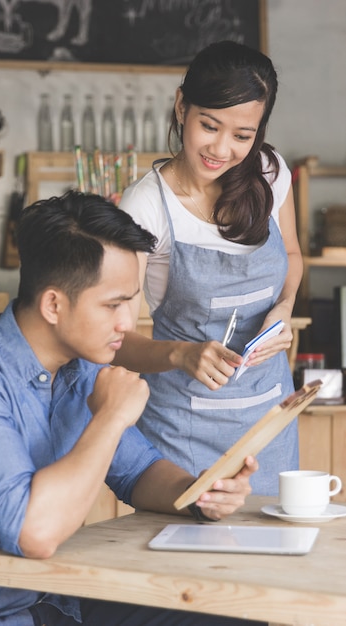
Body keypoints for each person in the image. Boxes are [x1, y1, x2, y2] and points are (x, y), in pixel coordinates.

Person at [0, 190, 262, 626]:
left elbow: (138, 472)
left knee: (229, 610)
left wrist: (199, 494)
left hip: (55, 600)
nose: (128, 322)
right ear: (53, 304)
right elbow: (35, 534)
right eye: (113, 305)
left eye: (131, 300)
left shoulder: (80, 366)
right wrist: (110, 416)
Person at [116, 40, 303, 496]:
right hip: (183, 431)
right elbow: (114, 340)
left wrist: (284, 308)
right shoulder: (146, 206)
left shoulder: (270, 173)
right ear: (182, 107)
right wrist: (181, 354)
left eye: (242, 136)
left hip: (267, 423)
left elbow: (293, 257)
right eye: (209, 125)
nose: (221, 148)